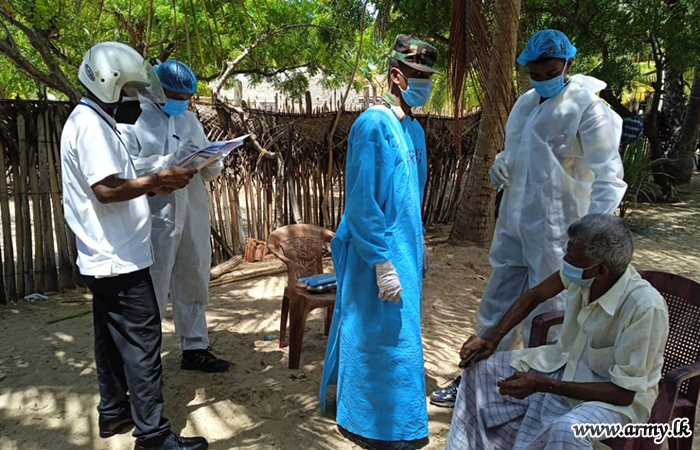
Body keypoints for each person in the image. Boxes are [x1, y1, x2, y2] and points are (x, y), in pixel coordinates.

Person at [431, 29, 627, 407]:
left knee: (553, 314)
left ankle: (546, 391)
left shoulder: (588, 109)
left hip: (560, 234)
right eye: (535, 75)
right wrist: (501, 164)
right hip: (516, 225)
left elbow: (609, 179)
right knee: (497, 303)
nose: (543, 80)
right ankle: (477, 378)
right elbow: (515, 151)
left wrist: (589, 241)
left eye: (551, 72)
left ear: (568, 63)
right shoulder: (524, 104)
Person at [60, 42, 208, 450]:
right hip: (119, 257)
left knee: (110, 341)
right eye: (131, 90)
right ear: (109, 84)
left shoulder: (91, 119)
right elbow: (106, 189)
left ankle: (113, 411)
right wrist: (158, 180)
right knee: (143, 345)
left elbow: (113, 183)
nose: (136, 99)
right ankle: (153, 436)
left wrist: (155, 183)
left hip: (105, 255)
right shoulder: (91, 126)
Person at [445, 213, 668, 450]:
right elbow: (534, 296)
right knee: (480, 369)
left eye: (572, 259)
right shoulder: (586, 274)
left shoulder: (645, 307)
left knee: (568, 430)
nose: (565, 261)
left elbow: (623, 393)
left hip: (616, 400)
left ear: (601, 271)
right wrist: (492, 339)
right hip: (566, 365)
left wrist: (544, 384)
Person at [318, 34, 437, 450]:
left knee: (401, 335)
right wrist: (381, 261)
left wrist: (420, 245)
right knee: (375, 335)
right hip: (376, 254)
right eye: (417, 75)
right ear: (396, 76)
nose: (424, 83)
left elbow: (411, 198)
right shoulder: (373, 125)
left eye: (429, 76)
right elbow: (362, 200)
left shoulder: (413, 130)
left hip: (405, 250)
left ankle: (398, 420)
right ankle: (367, 424)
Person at [119, 60, 229, 373]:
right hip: (153, 216)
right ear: (157, 89)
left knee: (194, 277)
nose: (181, 103)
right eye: (175, 96)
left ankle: (195, 348)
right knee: (151, 286)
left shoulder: (190, 120)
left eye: (186, 98)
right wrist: (168, 162)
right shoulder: (133, 118)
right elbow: (126, 168)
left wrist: (212, 161)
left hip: (191, 212)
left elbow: (208, 171)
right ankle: (145, 360)